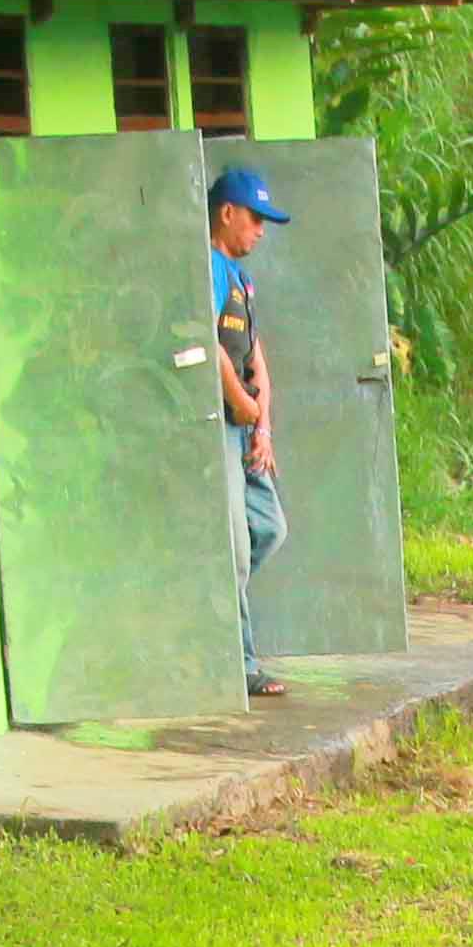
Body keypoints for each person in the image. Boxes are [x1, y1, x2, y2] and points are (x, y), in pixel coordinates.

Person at [209, 165, 292, 701]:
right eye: (255, 219)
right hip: (219, 426)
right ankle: (238, 664)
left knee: (269, 530)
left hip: (246, 432)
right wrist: (239, 405)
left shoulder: (241, 277)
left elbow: (254, 355)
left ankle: (209, 615)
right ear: (227, 213)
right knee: (235, 551)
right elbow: (206, 343)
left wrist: (263, 424)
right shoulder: (210, 269)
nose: (261, 230)